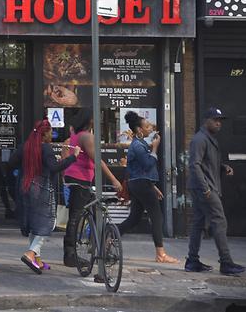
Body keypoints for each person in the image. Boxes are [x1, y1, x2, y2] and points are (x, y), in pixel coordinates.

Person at [185, 107, 244, 275]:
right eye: (215, 120)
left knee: (197, 224)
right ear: (207, 121)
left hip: (203, 187)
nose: (219, 123)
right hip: (205, 188)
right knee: (219, 221)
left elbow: (206, 164)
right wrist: (206, 189)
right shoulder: (200, 139)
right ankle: (226, 263)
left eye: (220, 120)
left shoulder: (209, 139)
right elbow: (194, 165)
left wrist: (222, 167)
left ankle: (192, 261)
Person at [62, 110, 123, 267]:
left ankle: (98, 248)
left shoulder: (76, 136)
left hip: (76, 177)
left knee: (94, 212)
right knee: (76, 216)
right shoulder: (86, 136)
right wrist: (114, 180)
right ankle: (70, 255)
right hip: (80, 179)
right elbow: (98, 161)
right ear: (89, 121)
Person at [117, 112, 178, 264]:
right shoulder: (138, 146)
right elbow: (148, 165)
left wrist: (153, 186)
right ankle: (161, 254)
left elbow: (142, 171)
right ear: (139, 130)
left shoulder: (141, 144)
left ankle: (109, 235)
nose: (151, 128)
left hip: (141, 184)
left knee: (134, 219)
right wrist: (155, 148)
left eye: (150, 126)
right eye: (147, 126)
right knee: (157, 217)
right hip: (141, 185)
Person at [20, 119, 79, 274]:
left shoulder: (27, 146)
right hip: (43, 189)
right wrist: (73, 157)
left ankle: (37, 259)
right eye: (50, 132)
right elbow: (54, 168)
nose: (52, 136)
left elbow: (13, 161)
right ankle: (31, 253)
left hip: (27, 187)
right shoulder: (46, 148)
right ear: (45, 134)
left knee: (35, 223)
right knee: (47, 223)